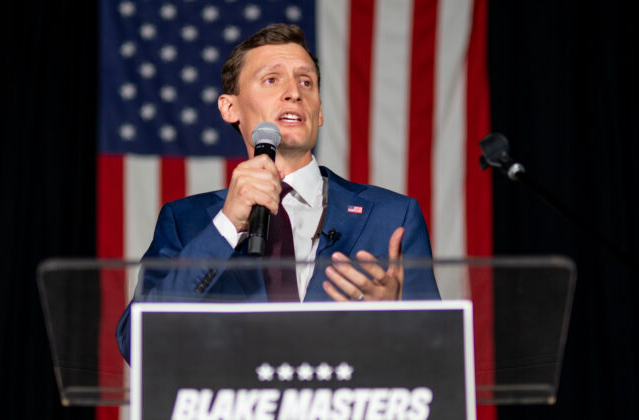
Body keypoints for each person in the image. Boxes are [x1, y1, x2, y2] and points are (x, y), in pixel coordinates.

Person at [116, 24, 439, 362]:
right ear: (230, 108)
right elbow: (137, 344)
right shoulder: (187, 222)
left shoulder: (391, 217)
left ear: (320, 111)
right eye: (272, 79)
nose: (294, 93)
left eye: (306, 82)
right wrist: (226, 227)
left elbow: (438, 357)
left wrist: (397, 319)